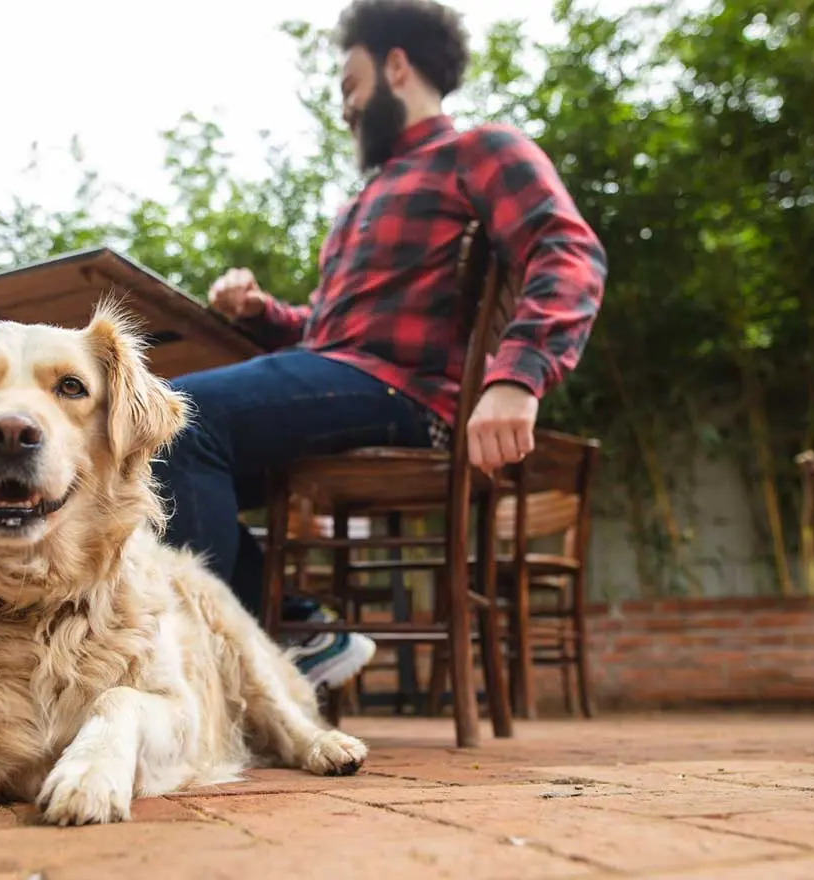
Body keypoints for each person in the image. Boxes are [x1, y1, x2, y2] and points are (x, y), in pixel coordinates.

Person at [152, 0, 607, 690]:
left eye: (349, 86)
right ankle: (292, 634)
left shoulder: (481, 150)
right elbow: (330, 335)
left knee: (176, 418)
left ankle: (216, 668)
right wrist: (259, 310)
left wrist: (517, 378)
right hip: (350, 377)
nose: (345, 108)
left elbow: (568, 253)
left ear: (396, 65)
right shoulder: (363, 200)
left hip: (409, 394)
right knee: (142, 456)